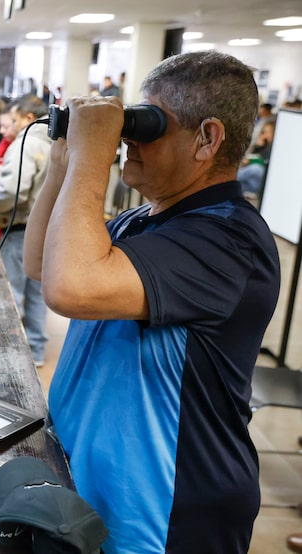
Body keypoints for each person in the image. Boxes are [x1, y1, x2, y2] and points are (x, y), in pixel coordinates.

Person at [24, 51, 281, 553]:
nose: (130, 138)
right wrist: (63, 164)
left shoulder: (229, 239)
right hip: (99, 498)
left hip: (166, 514)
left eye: (148, 123)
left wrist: (94, 153)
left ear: (207, 139)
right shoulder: (144, 219)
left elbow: (70, 287)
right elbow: (41, 264)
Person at [0, 95, 51, 367]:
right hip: (47, 228)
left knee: (13, 293)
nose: (10, 127)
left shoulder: (27, 142)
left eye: (14, 120)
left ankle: (12, 355)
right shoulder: (55, 143)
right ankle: (35, 350)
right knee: (37, 292)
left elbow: (12, 190)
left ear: (27, 117)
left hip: (22, 227)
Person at [238, 116, 275, 195]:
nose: (264, 135)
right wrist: (258, 145)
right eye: (263, 132)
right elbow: (255, 155)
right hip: (255, 180)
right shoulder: (265, 145)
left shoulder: (275, 148)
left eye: (267, 132)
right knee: (241, 186)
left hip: (263, 177)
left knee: (255, 169)